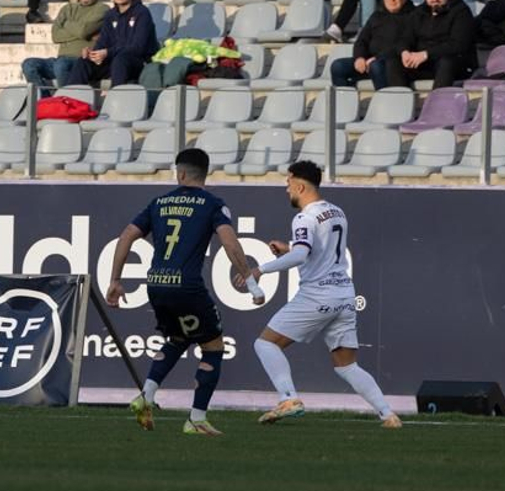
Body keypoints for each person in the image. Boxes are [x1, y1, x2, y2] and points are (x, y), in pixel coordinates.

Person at [105, 147, 263, 437]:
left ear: (180, 173)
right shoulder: (213, 204)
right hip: (186, 285)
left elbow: (127, 235)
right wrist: (251, 283)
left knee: (178, 338)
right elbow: (229, 243)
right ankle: (197, 419)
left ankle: (146, 396)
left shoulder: (159, 202)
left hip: (156, 283)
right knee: (213, 346)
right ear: (205, 174)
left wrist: (115, 279)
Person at [250, 161, 403, 429]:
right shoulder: (337, 212)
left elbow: (301, 256)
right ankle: (388, 414)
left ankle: (288, 398)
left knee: (265, 344)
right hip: (344, 294)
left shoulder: (304, 217)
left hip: (317, 294)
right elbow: (319, 251)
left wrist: (261, 270)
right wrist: (289, 247)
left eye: (288, 184)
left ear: (300, 185)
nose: (286, 190)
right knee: (347, 366)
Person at [21, 0, 107, 92]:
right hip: (60, 59)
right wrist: (84, 34)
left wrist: (66, 24)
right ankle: (46, 101)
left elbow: (84, 30)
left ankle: (67, 103)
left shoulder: (102, 9)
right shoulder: (67, 9)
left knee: (61, 65)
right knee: (29, 64)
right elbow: (55, 35)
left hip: (81, 61)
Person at [64, 0, 158, 87]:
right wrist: (93, 53)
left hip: (138, 61)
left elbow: (138, 47)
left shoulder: (142, 13)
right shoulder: (111, 15)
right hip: (114, 60)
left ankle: (115, 98)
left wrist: (108, 52)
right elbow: (103, 41)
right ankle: (70, 99)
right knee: (83, 62)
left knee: (120, 59)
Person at [331, 0, 416, 88]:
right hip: (369, 62)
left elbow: (406, 43)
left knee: (376, 66)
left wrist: (378, 58)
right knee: (338, 66)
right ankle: (344, 102)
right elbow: (362, 40)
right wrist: (360, 57)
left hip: (393, 64)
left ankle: (384, 101)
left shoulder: (414, 16)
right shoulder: (377, 15)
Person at [403, 0, 478, 87]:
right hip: (425, 64)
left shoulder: (461, 11)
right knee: (392, 61)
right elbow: (404, 37)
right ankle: (398, 102)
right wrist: (404, 52)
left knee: (447, 61)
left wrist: (425, 54)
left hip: (455, 64)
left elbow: (458, 45)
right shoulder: (418, 13)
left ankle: (438, 103)